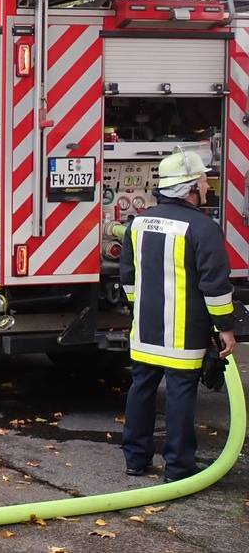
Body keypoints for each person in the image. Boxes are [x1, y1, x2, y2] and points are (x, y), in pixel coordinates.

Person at [119, 149, 237, 482]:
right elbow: (215, 287)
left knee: (141, 388)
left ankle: (135, 459)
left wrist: (136, 310)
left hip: (144, 329)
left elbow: (127, 277)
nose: (207, 187)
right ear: (190, 188)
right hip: (184, 333)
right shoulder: (203, 228)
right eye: (203, 180)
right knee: (181, 395)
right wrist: (225, 328)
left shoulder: (138, 223)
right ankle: (178, 467)